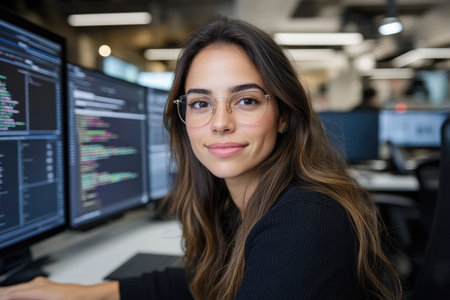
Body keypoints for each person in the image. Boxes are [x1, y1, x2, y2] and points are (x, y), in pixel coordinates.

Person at [0, 16, 402, 300]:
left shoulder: (307, 220)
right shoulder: (240, 205)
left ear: (283, 116)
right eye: (200, 103)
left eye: (246, 100)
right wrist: (90, 294)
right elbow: (200, 282)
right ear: (183, 117)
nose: (220, 123)